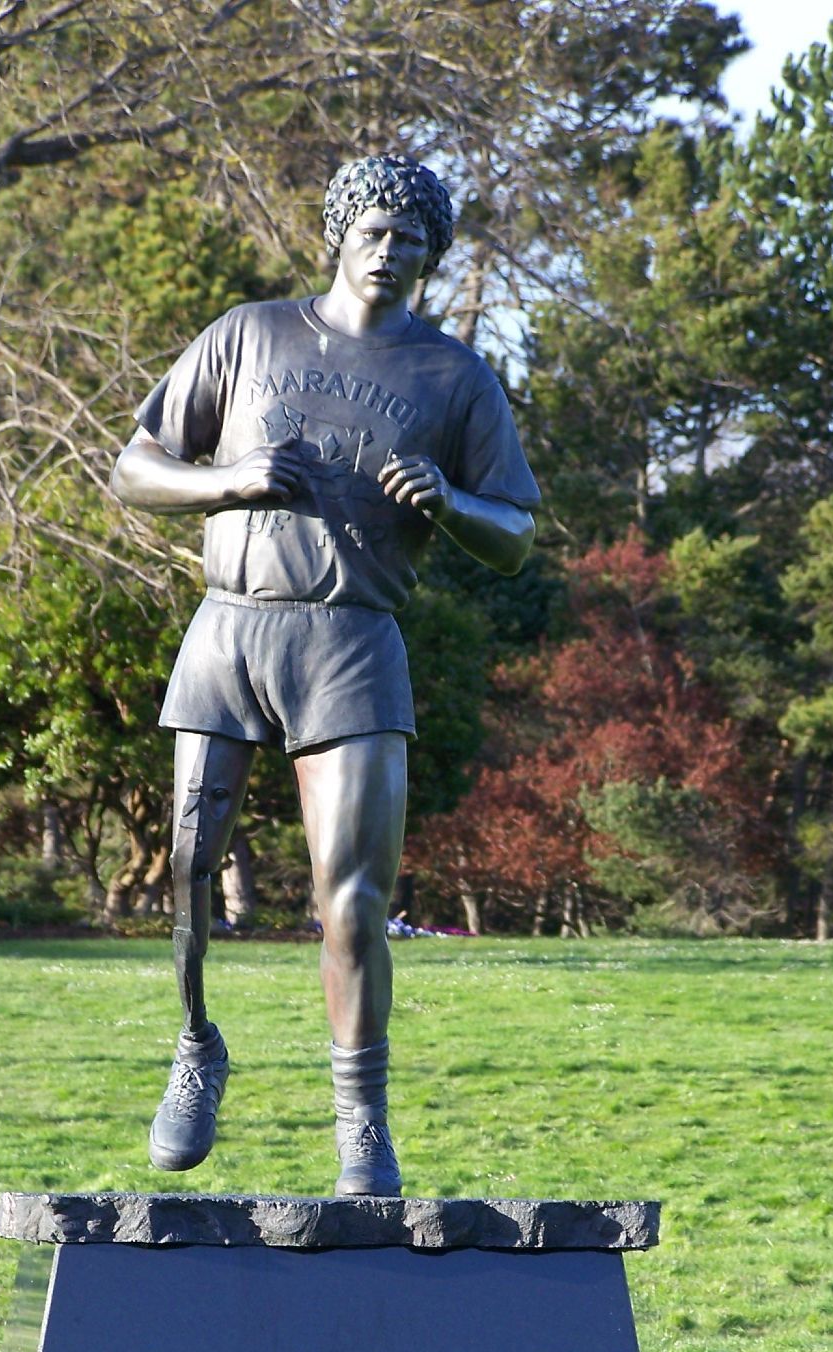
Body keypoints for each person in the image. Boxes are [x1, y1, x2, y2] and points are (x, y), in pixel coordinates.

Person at [110, 154, 538, 1195]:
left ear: (435, 257)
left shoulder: (453, 377)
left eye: (413, 241)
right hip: (230, 628)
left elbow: (516, 532)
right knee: (186, 867)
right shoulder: (248, 336)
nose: (392, 253)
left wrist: (448, 501)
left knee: (352, 899)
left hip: (352, 644)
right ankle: (195, 1042)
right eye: (376, 232)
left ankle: (362, 1123)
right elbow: (132, 470)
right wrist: (228, 482)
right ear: (340, 235)